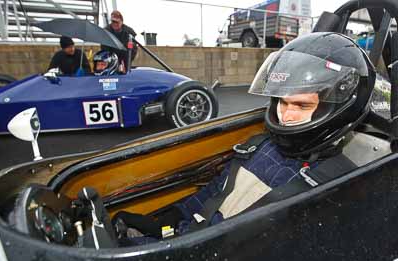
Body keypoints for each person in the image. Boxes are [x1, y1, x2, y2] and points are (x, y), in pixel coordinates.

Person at [112, 32, 385, 244]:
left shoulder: (338, 187)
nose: (286, 115)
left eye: (301, 106)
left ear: (337, 109)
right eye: (282, 102)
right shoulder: (260, 145)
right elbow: (210, 198)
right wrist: (160, 225)